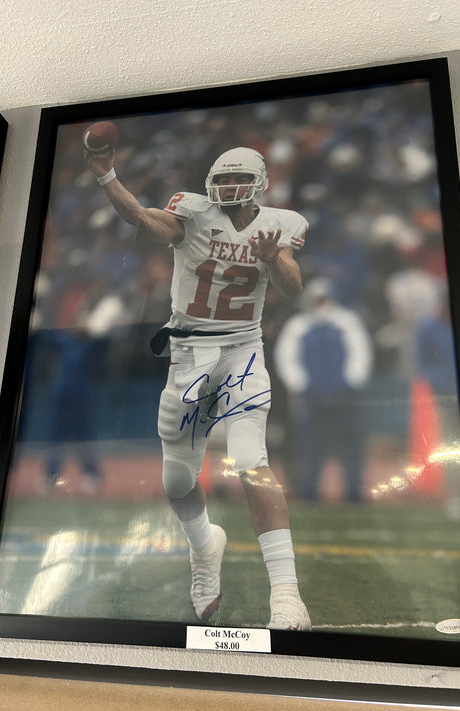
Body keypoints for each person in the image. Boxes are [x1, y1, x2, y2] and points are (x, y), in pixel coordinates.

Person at [84, 143, 311, 630]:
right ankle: (206, 545)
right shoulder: (192, 211)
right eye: (222, 180)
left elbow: (292, 286)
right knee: (177, 481)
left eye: (237, 180)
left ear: (259, 183)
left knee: (252, 461)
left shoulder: (281, 223)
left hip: (242, 349)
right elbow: (143, 220)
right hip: (188, 354)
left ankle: (287, 594)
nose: (228, 189)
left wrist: (273, 261)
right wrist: (108, 178)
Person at [274, 278, 373, 502]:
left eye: (324, 298)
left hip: (344, 396)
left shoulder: (347, 321)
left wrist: (351, 383)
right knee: (310, 446)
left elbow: (361, 352)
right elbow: (285, 357)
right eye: (316, 299)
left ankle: (353, 493)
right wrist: (300, 384)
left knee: (350, 445)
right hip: (310, 397)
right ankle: (309, 492)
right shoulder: (297, 325)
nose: (320, 304)